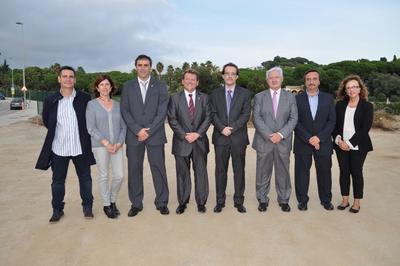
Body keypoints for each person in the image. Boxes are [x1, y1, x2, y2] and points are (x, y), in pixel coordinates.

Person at [35, 66, 95, 223]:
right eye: (65, 76)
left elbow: (89, 120)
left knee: (86, 179)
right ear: (59, 79)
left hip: (80, 147)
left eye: (71, 76)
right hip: (59, 148)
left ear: (74, 79)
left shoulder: (84, 98)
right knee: (57, 181)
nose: (68, 79)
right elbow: (48, 121)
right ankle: (57, 209)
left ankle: (87, 206)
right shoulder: (50, 100)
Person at [120, 54, 169, 216]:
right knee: (134, 169)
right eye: (139, 65)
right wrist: (137, 130)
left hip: (155, 135)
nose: (142, 68)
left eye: (146, 65)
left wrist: (148, 131)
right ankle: (136, 203)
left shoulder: (161, 86)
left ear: (150, 67)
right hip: (134, 136)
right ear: (136, 67)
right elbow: (125, 110)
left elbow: (162, 112)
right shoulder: (127, 86)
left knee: (158, 168)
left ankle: (161, 202)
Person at [252, 66, 298, 212]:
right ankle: (262, 199)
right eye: (271, 77)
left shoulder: (290, 97)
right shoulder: (259, 96)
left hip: (283, 141)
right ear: (267, 80)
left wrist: (281, 134)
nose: (273, 79)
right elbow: (256, 117)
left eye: (276, 77)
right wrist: (269, 135)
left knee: (283, 172)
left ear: (281, 79)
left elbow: (293, 118)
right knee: (262, 171)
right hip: (264, 141)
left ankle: (284, 199)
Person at [167, 69, 211, 214]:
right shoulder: (174, 98)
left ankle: (201, 202)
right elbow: (172, 119)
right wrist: (185, 135)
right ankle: (183, 202)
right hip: (182, 142)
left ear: (197, 82)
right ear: (182, 81)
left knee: (201, 173)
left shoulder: (204, 98)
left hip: (199, 142)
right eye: (187, 79)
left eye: (193, 79)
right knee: (182, 174)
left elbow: (208, 118)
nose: (190, 82)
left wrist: (197, 134)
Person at [209, 63, 251, 213]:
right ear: (222, 75)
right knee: (220, 170)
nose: (230, 76)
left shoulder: (245, 93)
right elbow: (212, 114)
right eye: (227, 73)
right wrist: (222, 128)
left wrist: (231, 128)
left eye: (233, 73)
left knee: (239, 170)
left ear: (237, 76)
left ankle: (239, 201)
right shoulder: (214, 94)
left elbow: (246, 114)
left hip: (238, 138)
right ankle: (220, 201)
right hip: (220, 138)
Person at [294, 69, 336, 211]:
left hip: (323, 143)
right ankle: (302, 200)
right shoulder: (296, 99)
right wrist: (309, 138)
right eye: (308, 79)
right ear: (305, 82)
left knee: (324, 173)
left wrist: (319, 138)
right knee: (301, 173)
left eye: (314, 79)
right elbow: (295, 121)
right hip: (302, 142)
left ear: (319, 81)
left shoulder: (328, 98)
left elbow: (332, 121)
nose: (311, 81)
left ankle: (326, 200)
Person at [86, 74, 126, 219]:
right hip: (100, 146)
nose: (104, 87)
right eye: (101, 85)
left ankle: (113, 200)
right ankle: (106, 204)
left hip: (117, 145)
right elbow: (90, 128)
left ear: (111, 87)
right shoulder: (92, 105)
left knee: (119, 175)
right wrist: (106, 143)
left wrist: (119, 143)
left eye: (107, 84)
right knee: (103, 175)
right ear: (97, 87)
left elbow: (123, 127)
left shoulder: (118, 105)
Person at [333, 75, 373, 213]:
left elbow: (365, 128)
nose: (351, 90)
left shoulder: (367, 106)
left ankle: (357, 202)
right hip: (341, 145)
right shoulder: (339, 105)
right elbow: (335, 125)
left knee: (356, 172)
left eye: (354, 87)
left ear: (360, 88)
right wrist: (339, 140)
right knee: (344, 172)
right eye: (348, 87)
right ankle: (345, 200)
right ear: (345, 90)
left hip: (358, 146)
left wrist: (349, 143)